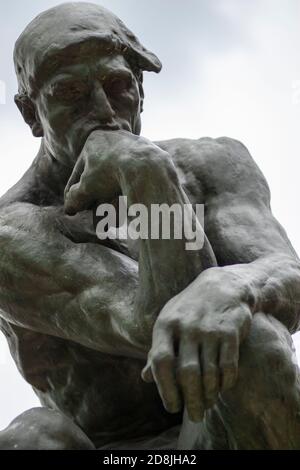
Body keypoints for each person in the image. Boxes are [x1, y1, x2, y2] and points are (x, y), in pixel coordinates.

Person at [0, 2, 300, 450]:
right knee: (30, 438)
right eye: (70, 93)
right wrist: (145, 173)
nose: (103, 109)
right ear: (31, 114)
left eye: (118, 84)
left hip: (225, 426)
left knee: (253, 337)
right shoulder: (11, 235)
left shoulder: (212, 164)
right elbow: (162, 328)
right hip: (112, 449)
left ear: (141, 88)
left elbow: (287, 274)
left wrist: (233, 283)